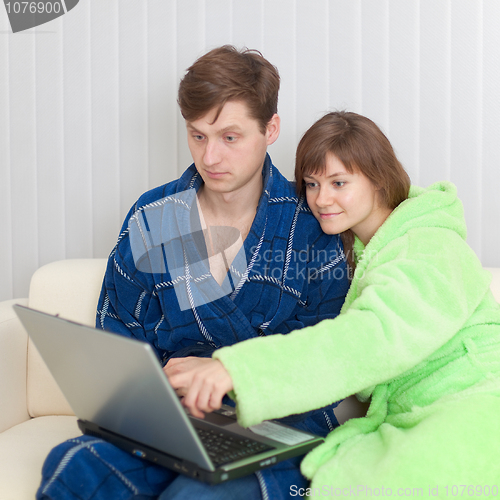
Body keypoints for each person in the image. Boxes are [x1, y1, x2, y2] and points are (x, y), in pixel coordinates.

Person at [37, 48, 350, 500]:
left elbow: (328, 355)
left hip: (276, 425)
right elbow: (119, 330)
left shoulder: (312, 226)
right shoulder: (155, 216)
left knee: (197, 496)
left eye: (229, 136)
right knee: (74, 465)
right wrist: (153, 396)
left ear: (271, 130)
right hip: (172, 421)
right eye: (198, 136)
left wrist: (231, 373)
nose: (211, 156)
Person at [170, 111, 500, 489]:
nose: (321, 199)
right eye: (311, 184)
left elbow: (369, 338)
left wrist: (236, 370)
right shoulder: (348, 252)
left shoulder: (429, 244)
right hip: (416, 413)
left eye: (338, 182)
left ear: (378, 179)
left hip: (481, 401)